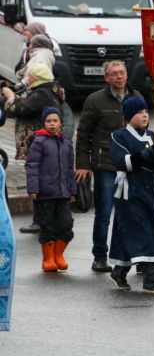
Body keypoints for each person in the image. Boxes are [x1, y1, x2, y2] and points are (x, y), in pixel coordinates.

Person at [75, 60, 143, 273]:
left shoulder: (137, 97)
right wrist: (83, 164)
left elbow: (144, 129)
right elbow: (83, 134)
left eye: (122, 72)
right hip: (105, 164)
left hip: (132, 164)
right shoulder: (95, 101)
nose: (119, 77)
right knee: (104, 213)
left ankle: (134, 254)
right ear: (106, 78)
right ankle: (100, 256)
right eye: (114, 74)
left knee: (133, 213)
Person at [108, 96, 154, 294]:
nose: (144, 115)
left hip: (149, 192)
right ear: (128, 117)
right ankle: (150, 279)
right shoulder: (119, 136)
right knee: (143, 232)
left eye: (146, 111)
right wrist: (143, 156)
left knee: (135, 232)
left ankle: (119, 271)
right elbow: (121, 161)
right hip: (129, 193)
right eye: (139, 112)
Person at [3, 64, 62, 235]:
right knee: (44, 181)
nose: (26, 79)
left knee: (37, 182)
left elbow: (20, 110)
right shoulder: (50, 91)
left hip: (37, 146)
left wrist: (10, 97)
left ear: (36, 78)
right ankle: (48, 219)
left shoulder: (41, 94)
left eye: (29, 76)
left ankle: (40, 221)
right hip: (46, 145)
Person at [25, 107, 76, 272]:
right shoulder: (39, 141)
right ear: (44, 123)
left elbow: (69, 169)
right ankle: (48, 258)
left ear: (61, 123)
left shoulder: (66, 142)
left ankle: (59, 255)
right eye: (49, 121)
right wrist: (33, 188)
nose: (52, 124)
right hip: (45, 193)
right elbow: (32, 166)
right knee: (47, 225)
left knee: (66, 224)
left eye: (55, 121)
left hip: (63, 193)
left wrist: (72, 190)